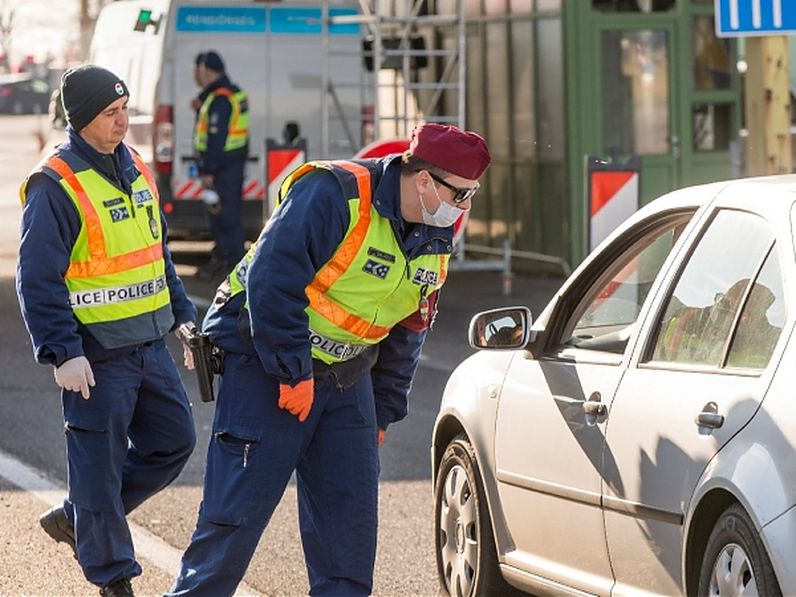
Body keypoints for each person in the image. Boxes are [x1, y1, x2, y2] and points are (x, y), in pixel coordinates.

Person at [167, 123, 491, 596]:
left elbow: (409, 328)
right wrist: (293, 372)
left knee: (349, 538)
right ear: (424, 180)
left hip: (347, 376)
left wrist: (382, 409)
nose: (463, 207)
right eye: (460, 194)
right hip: (266, 362)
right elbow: (271, 283)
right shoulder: (333, 194)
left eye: (471, 195)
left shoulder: (435, 231)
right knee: (232, 527)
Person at [16, 65, 198, 597]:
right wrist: (61, 351)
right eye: (110, 114)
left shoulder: (136, 165)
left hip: (147, 344)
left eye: (125, 111)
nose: (123, 122)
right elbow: (37, 276)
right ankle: (114, 578)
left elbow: (155, 256)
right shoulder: (56, 184)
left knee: (174, 443)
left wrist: (183, 317)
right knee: (98, 465)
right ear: (82, 120)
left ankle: (81, 516)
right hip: (94, 356)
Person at [191, 50, 249, 280]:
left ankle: (234, 268)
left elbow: (217, 137)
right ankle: (227, 261)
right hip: (231, 166)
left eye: (197, 70)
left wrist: (208, 170)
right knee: (225, 217)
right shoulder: (232, 94)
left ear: (204, 70)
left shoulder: (221, 99)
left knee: (226, 218)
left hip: (222, 170)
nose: (196, 75)